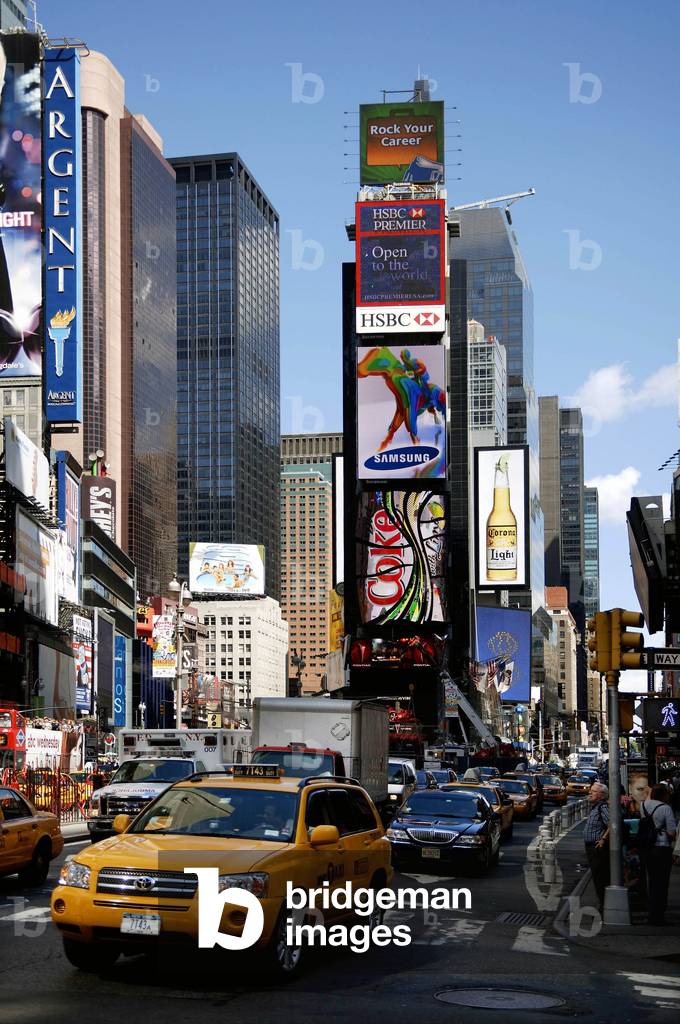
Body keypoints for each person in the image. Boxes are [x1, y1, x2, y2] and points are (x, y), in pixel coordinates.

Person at [639, 784, 677, 926]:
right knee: (661, 883)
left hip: (647, 847)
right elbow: (672, 832)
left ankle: (651, 913)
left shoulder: (643, 805)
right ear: (665, 795)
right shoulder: (665, 808)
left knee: (652, 880)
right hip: (662, 847)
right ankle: (658, 915)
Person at [584, 782, 610, 914]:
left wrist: (603, 839)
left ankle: (604, 907)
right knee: (597, 878)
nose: (590, 792)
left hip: (597, 848)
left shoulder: (603, 807)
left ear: (601, 795)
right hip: (592, 847)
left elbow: (612, 824)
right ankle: (602, 905)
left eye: (593, 791)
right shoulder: (596, 806)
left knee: (600, 878)